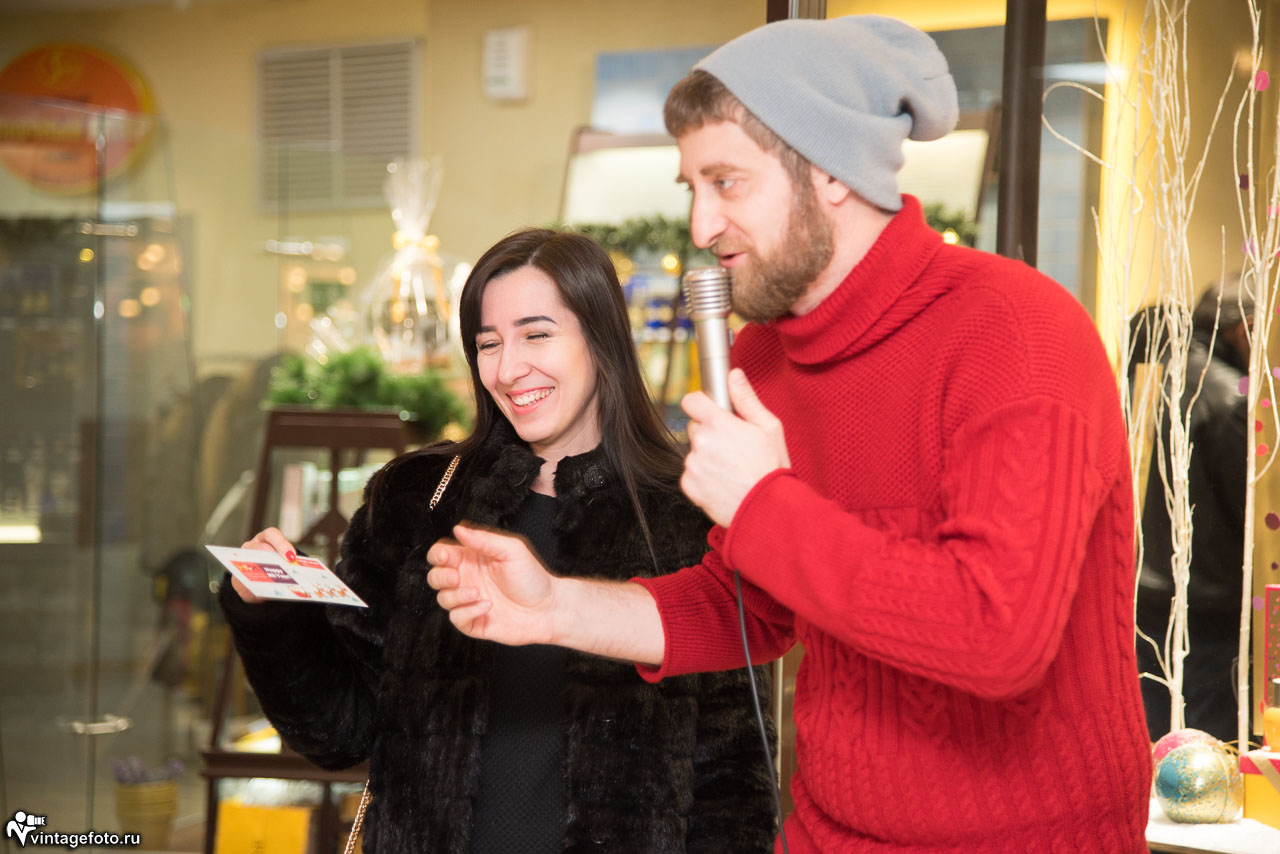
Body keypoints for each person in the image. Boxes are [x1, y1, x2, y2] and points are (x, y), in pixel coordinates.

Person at [428, 15, 1152, 852]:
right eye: (692, 188)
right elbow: (748, 607)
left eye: (727, 183)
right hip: (828, 832)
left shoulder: (1017, 333)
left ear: (831, 170)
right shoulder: (764, 360)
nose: (701, 226)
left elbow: (1000, 637)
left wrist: (765, 504)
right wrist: (557, 607)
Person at [219, 228, 778, 853]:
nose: (509, 369)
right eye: (488, 344)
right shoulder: (421, 498)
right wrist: (271, 613)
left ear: (601, 337)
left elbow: (734, 783)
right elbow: (339, 732)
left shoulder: (692, 510)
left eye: (537, 335)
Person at [1136, 274, 1252, 743]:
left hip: (1156, 588)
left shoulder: (1170, 374)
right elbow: (1249, 509)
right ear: (1243, 328)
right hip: (1210, 602)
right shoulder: (1231, 396)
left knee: (1162, 738)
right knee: (1205, 749)